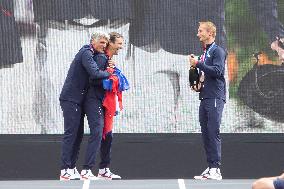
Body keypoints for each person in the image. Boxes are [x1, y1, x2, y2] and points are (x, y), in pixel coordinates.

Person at [59, 31, 111, 180]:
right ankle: (64, 169)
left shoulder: (90, 53)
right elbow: (95, 73)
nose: (104, 45)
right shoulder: (86, 53)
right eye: (102, 42)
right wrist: (109, 72)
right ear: (93, 41)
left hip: (77, 100)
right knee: (71, 134)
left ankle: (71, 167)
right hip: (70, 99)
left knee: (78, 134)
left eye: (106, 42)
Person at [188, 21, 226, 180]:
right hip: (204, 96)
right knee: (205, 133)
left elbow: (217, 71)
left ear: (210, 33)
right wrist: (197, 84)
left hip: (215, 96)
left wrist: (198, 63)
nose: (198, 34)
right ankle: (211, 166)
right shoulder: (204, 52)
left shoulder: (218, 50)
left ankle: (216, 169)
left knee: (213, 131)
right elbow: (204, 74)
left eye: (201, 31)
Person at [97, 32, 128, 180]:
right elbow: (101, 81)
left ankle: (103, 169)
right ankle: (95, 169)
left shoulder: (108, 60)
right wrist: (114, 77)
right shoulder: (102, 59)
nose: (121, 47)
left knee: (106, 136)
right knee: (102, 136)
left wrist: (115, 75)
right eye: (119, 44)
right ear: (111, 43)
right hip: (101, 102)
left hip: (107, 103)